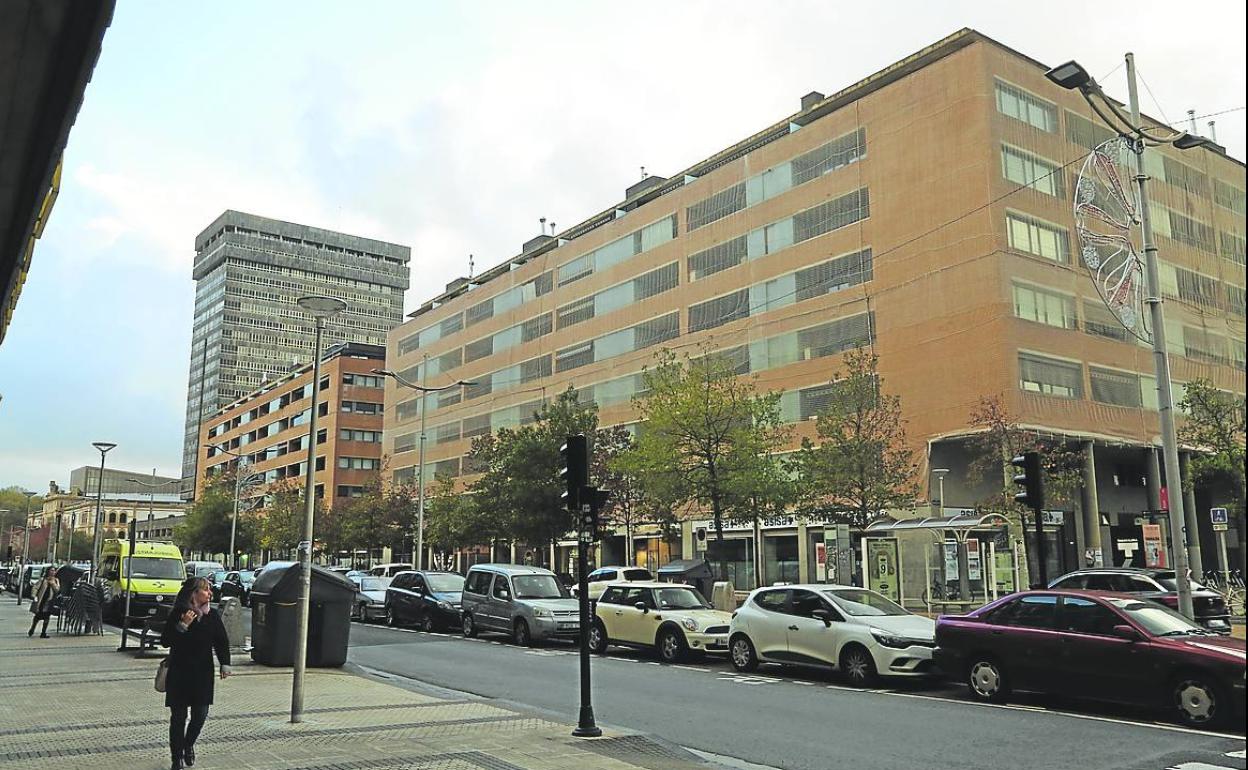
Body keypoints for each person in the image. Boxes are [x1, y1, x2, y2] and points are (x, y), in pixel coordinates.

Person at [161, 576, 230, 770]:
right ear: (194, 594)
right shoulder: (179, 613)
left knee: (200, 714)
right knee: (178, 718)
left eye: (209, 590)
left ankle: (188, 744)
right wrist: (182, 625)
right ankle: (176, 759)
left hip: (203, 672)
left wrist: (225, 663)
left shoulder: (212, 615)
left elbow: (221, 641)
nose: (210, 593)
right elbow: (166, 640)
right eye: (206, 590)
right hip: (180, 672)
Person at [28, 567, 60, 638]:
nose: (53, 572)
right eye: (51, 570)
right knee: (37, 616)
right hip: (41, 600)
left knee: (47, 616)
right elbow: (35, 587)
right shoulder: (43, 580)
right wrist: (33, 596)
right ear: (48, 571)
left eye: (54, 571)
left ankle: (43, 632)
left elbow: (57, 590)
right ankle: (32, 629)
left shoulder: (56, 580)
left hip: (49, 602)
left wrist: (52, 584)